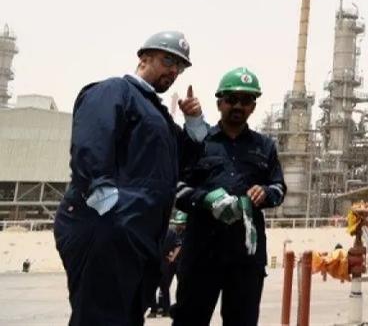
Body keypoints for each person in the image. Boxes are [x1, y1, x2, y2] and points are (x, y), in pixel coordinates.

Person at [54, 32, 208, 326]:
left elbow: (184, 164)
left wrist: (194, 124)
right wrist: (109, 208)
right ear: (144, 58)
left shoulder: (157, 114)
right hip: (108, 227)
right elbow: (91, 143)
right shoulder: (115, 91)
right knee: (100, 317)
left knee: (126, 315)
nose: (173, 71)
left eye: (180, 66)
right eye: (167, 60)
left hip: (138, 233)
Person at [173, 68, 285, 326]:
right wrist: (205, 200)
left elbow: (279, 188)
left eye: (245, 101)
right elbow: (176, 187)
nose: (238, 106)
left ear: (253, 107)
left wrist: (264, 193)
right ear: (219, 102)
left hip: (245, 258)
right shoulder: (198, 142)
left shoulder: (264, 146)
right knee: (189, 320)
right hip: (202, 254)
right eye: (231, 99)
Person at [149, 210, 187, 318]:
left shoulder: (160, 232)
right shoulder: (172, 232)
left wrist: (172, 257)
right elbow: (178, 245)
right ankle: (161, 308)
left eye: (181, 224)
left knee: (167, 287)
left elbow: (178, 246)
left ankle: (162, 309)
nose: (180, 226)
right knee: (164, 287)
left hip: (173, 263)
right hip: (167, 263)